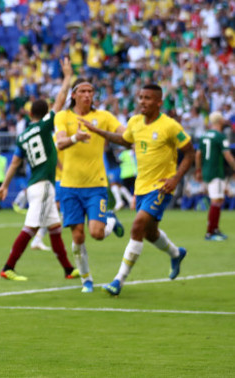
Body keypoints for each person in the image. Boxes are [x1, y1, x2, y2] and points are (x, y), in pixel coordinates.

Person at [78, 83, 194, 296]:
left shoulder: (170, 126)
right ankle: (176, 254)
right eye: (140, 97)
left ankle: (118, 281)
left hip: (161, 187)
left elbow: (189, 152)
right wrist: (98, 131)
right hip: (141, 186)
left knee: (137, 226)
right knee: (149, 233)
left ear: (159, 102)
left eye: (148, 98)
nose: (142, 101)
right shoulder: (135, 122)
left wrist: (176, 178)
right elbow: (124, 140)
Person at [0, 57, 78, 282]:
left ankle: (68, 269)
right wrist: (68, 77)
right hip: (43, 185)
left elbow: (14, 163)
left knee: (55, 228)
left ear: (30, 115)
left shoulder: (23, 135)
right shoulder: (44, 126)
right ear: (46, 113)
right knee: (30, 227)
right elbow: (60, 101)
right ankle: (8, 267)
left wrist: (4, 186)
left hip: (36, 184)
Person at [54, 76, 125, 293]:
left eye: (91, 91)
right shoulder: (63, 116)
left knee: (96, 233)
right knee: (77, 236)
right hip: (69, 186)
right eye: (82, 91)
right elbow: (60, 142)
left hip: (96, 185)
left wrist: (106, 133)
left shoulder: (103, 116)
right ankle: (86, 280)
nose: (87, 95)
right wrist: (76, 137)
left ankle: (110, 220)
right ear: (73, 95)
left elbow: (124, 133)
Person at [195, 112, 235, 241]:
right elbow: (227, 155)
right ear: (219, 121)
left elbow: (198, 155)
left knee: (219, 199)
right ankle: (210, 232)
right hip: (216, 172)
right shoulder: (220, 136)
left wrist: (198, 171)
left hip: (206, 171)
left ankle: (215, 229)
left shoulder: (204, 135)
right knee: (216, 200)